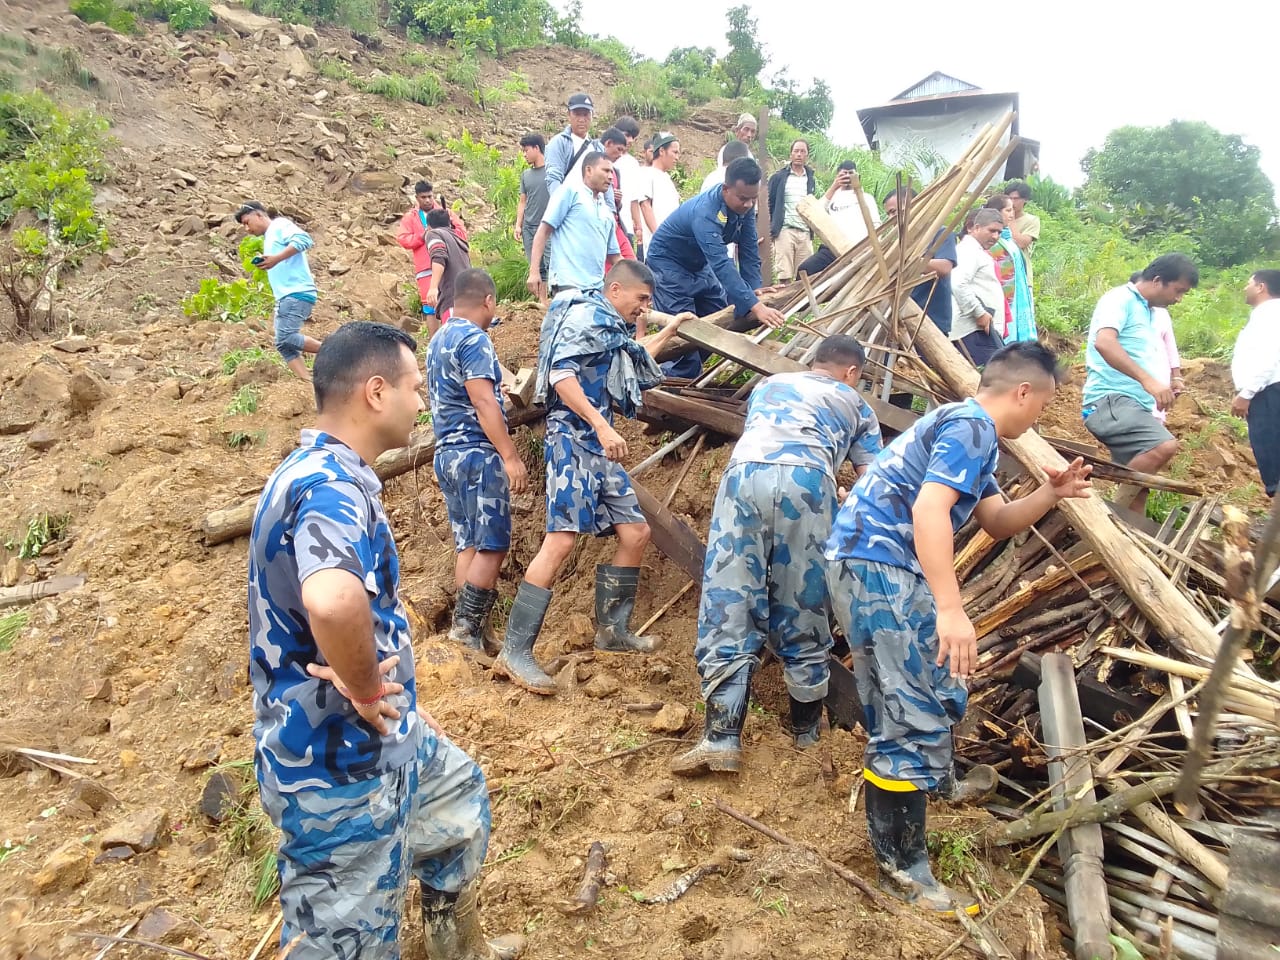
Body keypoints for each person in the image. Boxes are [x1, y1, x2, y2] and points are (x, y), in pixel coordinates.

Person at [248, 321, 524, 960]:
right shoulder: (329, 487)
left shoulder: (322, 471)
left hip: (382, 741)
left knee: (457, 797)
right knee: (347, 943)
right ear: (376, 392)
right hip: (334, 767)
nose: (422, 402)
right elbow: (332, 598)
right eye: (416, 387)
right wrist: (369, 686)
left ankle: (455, 947)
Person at [824, 341, 1092, 916]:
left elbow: (995, 523)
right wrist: (951, 607)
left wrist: (1051, 492)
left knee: (940, 682)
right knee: (910, 712)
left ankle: (935, 780)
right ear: (1023, 392)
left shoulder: (968, 432)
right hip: (881, 565)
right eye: (1042, 405)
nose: (1039, 417)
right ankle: (902, 868)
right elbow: (927, 511)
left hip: (875, 564)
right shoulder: (971, 427)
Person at [671, 336, 882, 777]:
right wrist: (842, 500)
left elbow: (767, 435)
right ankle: (806, 735)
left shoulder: (771, 384)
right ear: (852, 372)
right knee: (804, 603)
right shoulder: (857, 404)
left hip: (744, 475)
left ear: (814, 362)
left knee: (729, 599)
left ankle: (721, 738)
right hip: (808, 483)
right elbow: (871, 482)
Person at [492, 261, 692, 694]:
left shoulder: (612, 329)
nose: (644, 307)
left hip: (599, 448)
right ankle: (515, 648)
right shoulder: (586, 317)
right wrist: (601, 426)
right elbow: (561, 376)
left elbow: (637, 359)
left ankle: (612, 631)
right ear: (615, 289)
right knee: (561, 540)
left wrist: (671, 327)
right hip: (573, 441)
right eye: (641, 299)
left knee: (636, 532)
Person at [427, 270, 529, 650]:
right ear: (488, 300)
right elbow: (483, 401)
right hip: (476, 455)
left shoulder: (438, 339)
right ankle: (466, 632)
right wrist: (510, 455)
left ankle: (475, 634)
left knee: (468, 544)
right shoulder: (475, 339)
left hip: (447, 455)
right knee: (492, 544)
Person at [646, 157, 787, 379]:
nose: (749, 205)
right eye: (743, 198)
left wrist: (754, 290)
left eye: (753, 199)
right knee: (686, 328)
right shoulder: (706, 212)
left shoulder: (745, 207)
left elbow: (749, 249)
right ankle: (672, 385)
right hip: (668, 264)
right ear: (726, 189)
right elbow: (720, 262)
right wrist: (756, 307)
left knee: (717, 317)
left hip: (698, 264)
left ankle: (681, 371)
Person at [1082, 253, 1199, 504]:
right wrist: (1149, 381)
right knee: (1164, 446)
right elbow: (1104, 343)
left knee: (1139, 490)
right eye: (1178, 291)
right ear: (1158, 280)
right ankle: (1103, 515)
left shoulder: (1149, 311)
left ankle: (1126, 537)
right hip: (1110, 401)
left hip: (1136, 406)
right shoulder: (1120, 299)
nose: (1178, 299)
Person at [236, 201, 322, 382]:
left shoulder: (280, 225)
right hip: (285, 296)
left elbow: (305, 239)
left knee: (287, 337)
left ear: (259, 215)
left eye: (247, 222)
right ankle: (308, 381)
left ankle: (335, 350)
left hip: (296, 293)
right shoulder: (269, 237)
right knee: (283, 344)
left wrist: (276, 259)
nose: (246, 228)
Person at [527, 152, 620, 304]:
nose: (610, 176)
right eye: (605, 170)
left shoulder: (606, 211)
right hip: (568, 285)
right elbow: (543, 231)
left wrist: (638, 279)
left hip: (596, 289)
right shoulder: (569, 192)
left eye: (612, 172)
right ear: (589, 170)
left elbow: (614, 256)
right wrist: (534, 271)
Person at [1231, 269, 1280, 497]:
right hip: (1268, 392)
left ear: (1261, 287)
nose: (1245, 288)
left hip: (1269, 394)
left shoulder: (1269, 315)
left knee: (1274, 465)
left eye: (1248, 283)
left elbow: (1269, 357)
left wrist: (1247, 393)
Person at [884, 187, 957, 336]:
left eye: (898, 211)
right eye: (890, 213)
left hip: (930, 318)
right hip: (900, 319)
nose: (894, 217)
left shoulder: (939, 233)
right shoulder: (895, 242)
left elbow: (944, 267)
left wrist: (907, 261)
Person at [797, 160, 882, 277]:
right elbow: (814, 212)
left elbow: (876, 224)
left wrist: (873, 248)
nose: (847, 177)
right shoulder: (833, 197)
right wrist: (834, 187)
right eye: (843, 174)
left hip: (859, 250)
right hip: (832, 249)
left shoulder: (866, 198)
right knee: (805, 269)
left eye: (850, 173)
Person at [949, 209, 1008, 367]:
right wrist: (979, 312)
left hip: (979, 329)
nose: (995, 236)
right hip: (972, 331)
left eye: (999, 232)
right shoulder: (968, 250)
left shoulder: (976, 251)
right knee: (986, 382)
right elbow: (957, 283)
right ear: (975, 228)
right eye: (991, 230)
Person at [1126, 272, 1183, 424]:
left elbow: (1170, 345)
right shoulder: (1126, 307)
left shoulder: (1161, 313)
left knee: (1156, 417)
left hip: (1159, 369)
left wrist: (1176, 376)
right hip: (1132, 371)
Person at [982, 194, 1036, 343]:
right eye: (1008, 210)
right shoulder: (991, 242)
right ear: (996, 212)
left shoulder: (1008, 239)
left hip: (1017, 296)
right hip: (1005, 299)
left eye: (1012, 210)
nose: (1012, 214)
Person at [767, 139, 816, 283]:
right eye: (796, 151)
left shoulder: (810, 178)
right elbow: (769, 202)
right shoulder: (779, 177)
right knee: (784, 275)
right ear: (791, 154)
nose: (799, 154)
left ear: (807, 155)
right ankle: (784, 305)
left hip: (805, 232)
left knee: (805, 275)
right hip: (785, 231)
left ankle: (801, 306)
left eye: (803, 151)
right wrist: (772, 227)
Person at [422, 208, 472, 335]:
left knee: (454, 344)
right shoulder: (458, 239)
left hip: (452, 301)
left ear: (428, 226)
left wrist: (433, 287)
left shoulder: (434, 234)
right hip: (470, 300)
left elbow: (439, 256)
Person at [545, 92, 604, 193]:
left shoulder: (598, 148)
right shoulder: (559, 143)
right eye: (577, 114)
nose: (581, 119)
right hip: (570, 205)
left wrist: (610, 208)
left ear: (592, 115)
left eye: (586, 114)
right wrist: (560, 205)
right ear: (569, 115)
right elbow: (554, 178)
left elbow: (605, 182)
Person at [637, 132, 681, 251]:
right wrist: (659, 238)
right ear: (661, 151)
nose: (677, 157)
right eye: (675, 152)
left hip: (671, 245)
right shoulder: (646, 174)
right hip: (657, 247)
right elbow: (645, 206)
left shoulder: (667, 178)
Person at [514, 133, 549, 278]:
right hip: (529, 228)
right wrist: (518, 225)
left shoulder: (552, 172)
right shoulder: (525, 175)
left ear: (536, 148)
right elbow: (523, 201)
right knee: (536, 268)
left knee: (551, 265)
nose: (524, 154)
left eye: (526, 150)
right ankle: (542, 300)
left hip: (548, 227)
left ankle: (555, 299)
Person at [600, 126, 637, 260]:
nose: (620, 154)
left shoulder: (616, 172)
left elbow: (617, 207)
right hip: (601, 225)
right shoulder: (591, 166)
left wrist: (618, 201)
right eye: (619, 149)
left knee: (630, 264)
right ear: (608, 144)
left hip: (616, 225)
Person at [611, 115, 643, 248]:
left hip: (626, 227)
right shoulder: (603, 158)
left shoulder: (633, 163)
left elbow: (634, 198)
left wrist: (638, 226)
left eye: (633, 137)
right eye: (626, 135)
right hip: (607, 223)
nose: (629, 140)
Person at [1004, 180, 1041, 283]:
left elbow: (1020, 243)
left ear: (1025, 200)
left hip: (1021, 277)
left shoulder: (1032, 220)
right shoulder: (997, 219)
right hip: (1001, 275)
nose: (1011, 202)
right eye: (1009, 198)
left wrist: (1010, 218)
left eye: (1015, 199)